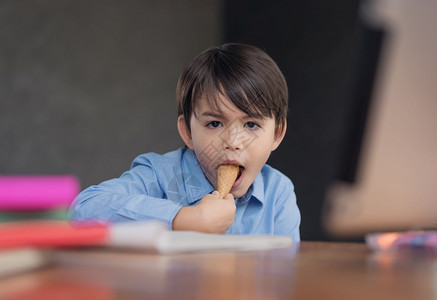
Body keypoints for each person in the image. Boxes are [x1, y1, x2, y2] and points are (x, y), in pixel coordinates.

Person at [70, 43, 301, 242]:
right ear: (188, 132)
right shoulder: (160, 177)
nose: (233, 142)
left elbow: (286, 277)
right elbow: (83, 209)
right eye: (214, 124)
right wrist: (186, 219)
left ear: (277, 134)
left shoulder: (278, 195)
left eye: (251, 125)